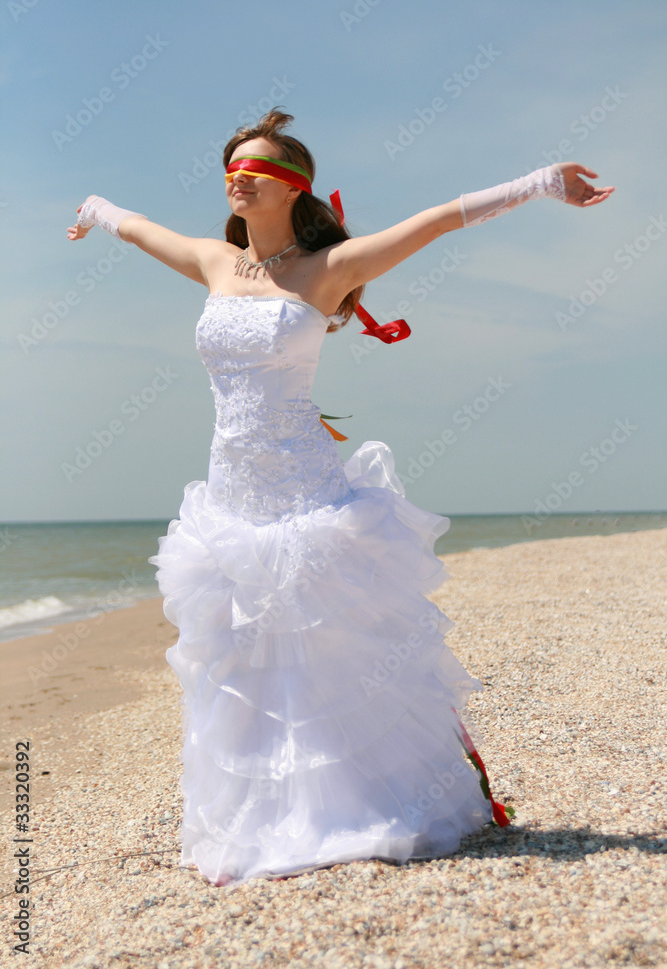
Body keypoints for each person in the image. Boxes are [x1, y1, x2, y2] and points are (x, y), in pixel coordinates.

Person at [66, 109, 614, 888]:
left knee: (326, 646)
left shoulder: (330, 266)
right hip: (230, 492)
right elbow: (138, 228)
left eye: (256, 167)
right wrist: (93, 209)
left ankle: (355, 811)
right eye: (231, 167)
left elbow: (436, 220)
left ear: (294, 186)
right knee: (242, 653)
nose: (238, 177)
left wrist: (540, 182)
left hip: (303, 489)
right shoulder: (214, 262)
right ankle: (261, 819)